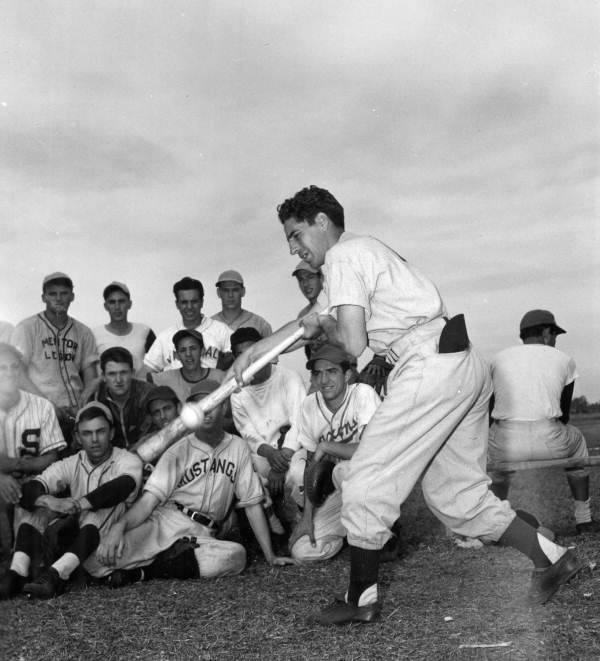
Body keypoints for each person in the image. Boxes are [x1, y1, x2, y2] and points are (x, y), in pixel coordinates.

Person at [233, 185, 583, 625]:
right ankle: (552, 558)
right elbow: (310, 318)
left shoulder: (343, 256)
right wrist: (260, 347)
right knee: (458, 496)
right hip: (456, 361)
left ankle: (360, 599)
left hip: (426, 364)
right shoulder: (357, 256)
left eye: (296, 234)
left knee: (364, 476)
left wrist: (321, 327)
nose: (293, 249)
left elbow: (353, 342)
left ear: (322, 222)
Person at [91, 379, 294, 586]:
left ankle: (147, 571)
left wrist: (270, 556)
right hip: (168, 522)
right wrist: (119, 527)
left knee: (236, 556)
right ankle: (167, 562)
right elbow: (148, 502)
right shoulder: (178, 450)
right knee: (98, 561)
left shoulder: (238, 447)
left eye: (212, 404)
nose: (206, 411)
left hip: (204, 534)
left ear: (224, 407)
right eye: (200, 405)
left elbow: (252, 504)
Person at [0, 402, 142, 599]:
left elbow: (122, 487)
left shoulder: (127, 459)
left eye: (100, 431)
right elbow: (29, 490)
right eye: (87, 433)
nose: (94, 439)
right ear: (77, 437)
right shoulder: (73, 462)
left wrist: (78, 504)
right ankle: (17, 573)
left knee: (103, 507)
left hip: (113, 542)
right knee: (36, 505)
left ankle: (55, 576)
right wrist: (50, 501)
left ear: (111, 433)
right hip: (80, 542)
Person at [488, 309, 599, 534]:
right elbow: (564, 415)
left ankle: (494, 522)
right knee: (577, 439)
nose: (555, 340)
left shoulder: (498, 359)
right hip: (550, 441)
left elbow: (491, 409)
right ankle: (584, 519)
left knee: (495, 457)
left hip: (506, 443)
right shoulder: (564, 359)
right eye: (555, 335)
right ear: (547, 332)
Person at [288, 344, 381, 565]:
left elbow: (371, 451)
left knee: (342, 470)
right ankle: (350, 532)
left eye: (332, 371)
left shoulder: (363, 394)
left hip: (371, 482)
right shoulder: (309, 406)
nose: (324, 379)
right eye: (318, 373)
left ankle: (381, 529)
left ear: (347, 374)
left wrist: (329, 447)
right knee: (302, 551)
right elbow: (311, 465)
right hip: (339, 491)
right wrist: (307, 518)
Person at [11, 272, 99, 442]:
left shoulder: (84, 332)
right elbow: (17, 375)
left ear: (72, 296)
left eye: (64, 293)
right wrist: (48, 405)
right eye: (52, 294)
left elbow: (91, 377)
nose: (58, 299)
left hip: (75, 411)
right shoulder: (26, 328)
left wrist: (85, 406)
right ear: (43, 297)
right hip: (37, 410)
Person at [229, 327, 306, 517]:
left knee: (299, 473)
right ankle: (271, 516)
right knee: (242, 471)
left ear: (263, 351)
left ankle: (303, 518)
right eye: (241, 355)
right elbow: (248, 434)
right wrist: (271, 454)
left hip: (293, 449)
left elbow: (300, 424)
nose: (248, 360)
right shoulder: (236, 391)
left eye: (251, 352)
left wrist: (280, 463)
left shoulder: (289, 377)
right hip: (263, 453)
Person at [0, 343, 66, 558]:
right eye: (2, 368)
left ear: (21, 370)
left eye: (13, 367)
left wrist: (15, 465)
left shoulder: (42, 406)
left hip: (33, 484)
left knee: (35, 524)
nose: (9, 373)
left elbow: (52, 456)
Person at [144, 277, 230, 373]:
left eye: (194, 301)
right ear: (177, 304)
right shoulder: (165, 337)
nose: (189, 307)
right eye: (184, 302)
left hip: (214, 386)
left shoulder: (221, 330)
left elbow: (239, 361)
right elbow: (146, 372)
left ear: (202, 302)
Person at [87, 347, 154, 450]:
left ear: (132, 373)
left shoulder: (149, 394)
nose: (118, 380)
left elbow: (162, 432)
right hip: (111, 459)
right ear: (103, 377)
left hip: (148, 451)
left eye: (123, 372)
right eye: (112, 374)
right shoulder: (95, 400)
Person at [93, 282, 156, 376]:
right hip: (106, 390)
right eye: (112, 302)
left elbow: (158, 366)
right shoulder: (94, 335)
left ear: (129, 304)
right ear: (105, 306)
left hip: (140, 389)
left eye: (121, 301)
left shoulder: (145, 332)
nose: (117, 307)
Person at [150, 329, 225, 403]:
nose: (188, 354)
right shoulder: (166, 378)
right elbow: (146, 380)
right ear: (177, 355)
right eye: (183, 350)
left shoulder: (219, 377)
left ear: (202, 351)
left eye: (193, 348)